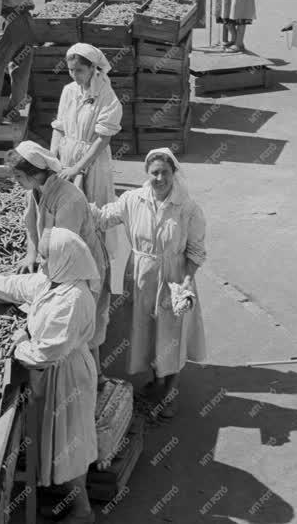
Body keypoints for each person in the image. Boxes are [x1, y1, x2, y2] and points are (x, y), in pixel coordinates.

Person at [0, 227, 98, 524]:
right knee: (54, 438)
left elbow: (46, 353)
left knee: (69, 441)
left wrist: (20, 342)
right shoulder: (54, 281)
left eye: (46, 257)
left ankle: (83, 511)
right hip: (53, 374)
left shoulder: (72, 299)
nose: (41, 263)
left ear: (65, 259)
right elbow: (20, 285)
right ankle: (65, 498)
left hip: (67, 376)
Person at [91, 148, 206, 419]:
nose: (159, 178)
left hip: (174, 277)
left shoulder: (188, 208)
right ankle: (157, 380)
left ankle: (171, 392)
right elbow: (102, 217)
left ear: (173, 173)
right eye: (154, 172)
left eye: (164, 172)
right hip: (141, 275)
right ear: (147, 173)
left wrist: (187, 282)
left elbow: (196, 252)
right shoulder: (132, 199)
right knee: (147, 332)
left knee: (172, 334)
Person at [6, 140, 110, 383]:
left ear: (36, 173)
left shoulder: (69, 199)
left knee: (83, 317)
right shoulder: (35, 189)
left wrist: (47, 285)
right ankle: (67, 368)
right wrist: (31, 255)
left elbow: (65, 250)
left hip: (81, 263)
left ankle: (93, 376)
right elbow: (31, 224)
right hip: (55, 259)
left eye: (19, 176)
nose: (16, 181)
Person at [50, 43, 123, 290]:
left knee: (92, 215)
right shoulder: (69, 91)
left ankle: (96, 276)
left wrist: (79, 168)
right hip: (67, 156)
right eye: (71, 70)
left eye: (79, 70)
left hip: (92, 160)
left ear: (93, 68)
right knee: (65, 215)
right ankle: (69, 272)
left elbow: (102, 139)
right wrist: (52, 159)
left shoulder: (107, 96)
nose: (75, 75)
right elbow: (59, 127)